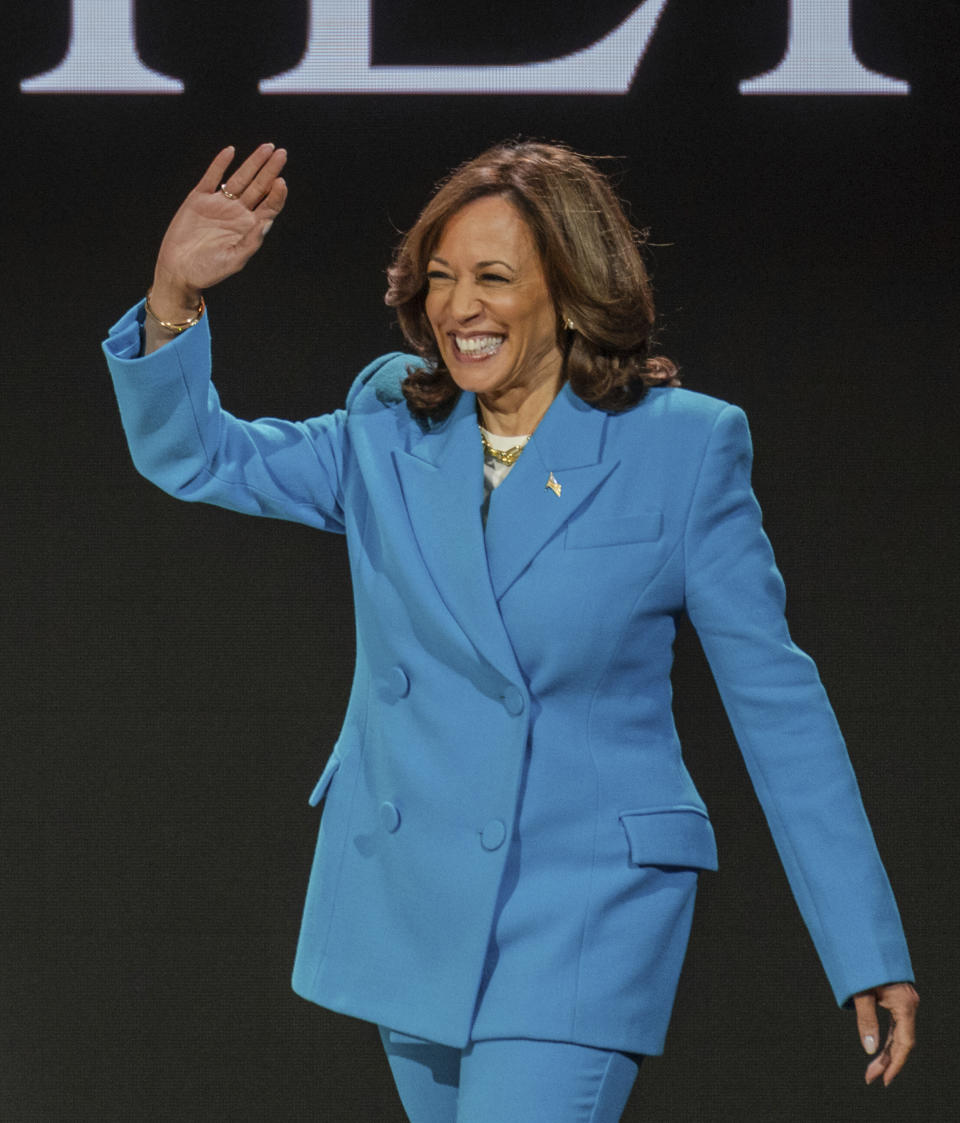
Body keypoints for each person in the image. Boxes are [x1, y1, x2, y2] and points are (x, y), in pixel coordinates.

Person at [103, 141, 917, 1122]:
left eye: (493, 277)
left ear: (571, 291)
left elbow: (779, 709)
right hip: (418, 891)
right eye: (441, 278)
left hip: (585, 904)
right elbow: (199, 459)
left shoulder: (683, 444)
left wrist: (864, 944)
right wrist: (174, 297)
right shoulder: (389, 424)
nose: (459, 307)